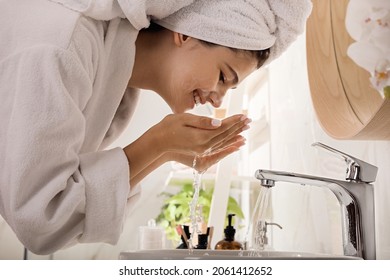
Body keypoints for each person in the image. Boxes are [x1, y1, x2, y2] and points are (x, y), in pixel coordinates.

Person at [0, 0, 312, 255]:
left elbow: (55, 209)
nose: (217, 99)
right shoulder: (65, 45)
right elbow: (38, 217)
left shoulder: (118, 84)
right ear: (188, 33)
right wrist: (159, 143)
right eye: (222, 77)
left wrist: (166, 152)